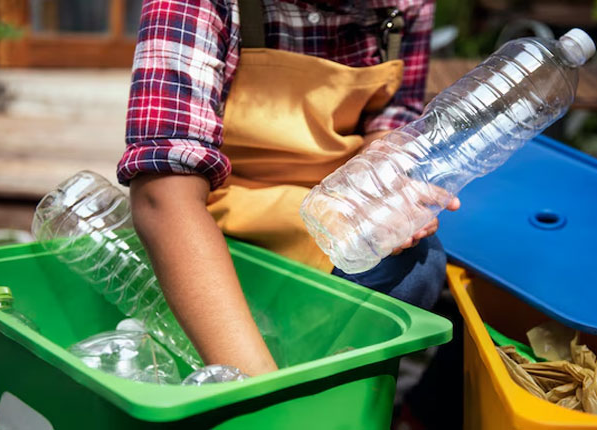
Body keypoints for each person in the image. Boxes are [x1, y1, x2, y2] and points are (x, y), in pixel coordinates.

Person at [117, 0, 459, 377]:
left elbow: (391, 117)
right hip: (217, 218)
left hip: (328, 211)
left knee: (418, 265)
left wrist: (385, 186)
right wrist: (258, 390)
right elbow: (162, 195)